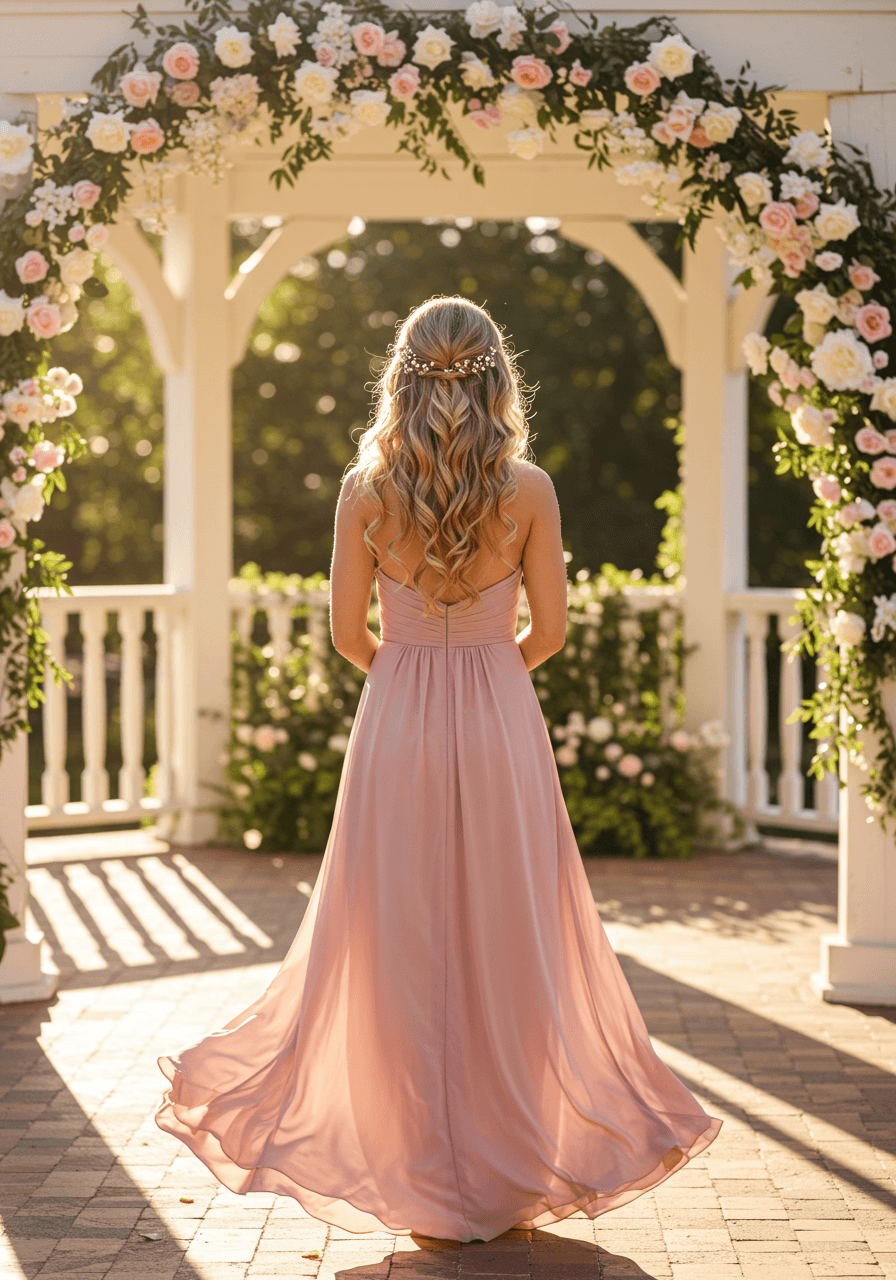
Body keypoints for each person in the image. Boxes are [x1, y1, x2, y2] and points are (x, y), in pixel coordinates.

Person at [155, 295, 722, 1244]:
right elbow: (552, 632)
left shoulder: (365, 489)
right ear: (497, 375)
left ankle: (415, 1164)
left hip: (396, 723)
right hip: (501, 716)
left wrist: (413, 679)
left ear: (402, 376)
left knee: (393, 935)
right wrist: (485, 676)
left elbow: (346, 634)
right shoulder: (530, 489)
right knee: (510, 928)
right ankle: (507, 1162)